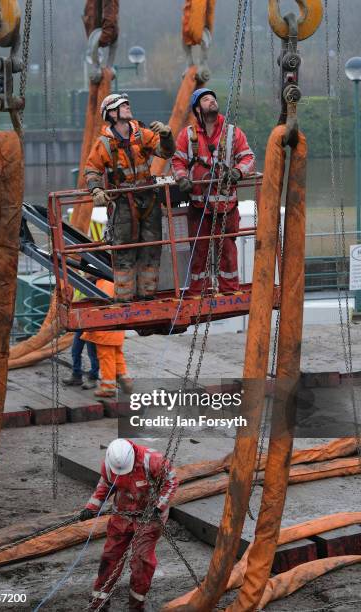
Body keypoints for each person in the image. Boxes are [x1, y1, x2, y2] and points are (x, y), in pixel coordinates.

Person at [84, 93, 175, 303]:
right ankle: (124, 300)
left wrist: (167, 135)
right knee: (124, 252)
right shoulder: (104, 143)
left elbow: (165, 152)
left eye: (127, 104)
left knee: (151, 249)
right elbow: (91, 170)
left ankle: (147, 296)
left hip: (148, 199)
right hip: (123, 203)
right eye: (122, 105)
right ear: (112, 114)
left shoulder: (141, 134)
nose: (128, 107)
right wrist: (96, 190)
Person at [171, 88, 255, 294]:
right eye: (206, 100)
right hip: (199, 205)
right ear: (197, 109)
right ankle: (198, 291)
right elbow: (177, 161)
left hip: (226, 205)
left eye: (213, 99)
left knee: (226, 249)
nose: (212, 102)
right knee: (199, 250)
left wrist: (237, 172)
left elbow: (248, 158)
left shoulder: (232, 133)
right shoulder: (188, 135)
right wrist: (182, 179)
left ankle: (229, 289)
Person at [79, 438, 178, 611]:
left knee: (141, 560)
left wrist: (158, 507)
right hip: (122, 514)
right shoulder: (110, 466)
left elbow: (171, 482)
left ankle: (136, 605)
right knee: (110, 556)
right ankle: (98, 602)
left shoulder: (153, 460)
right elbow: (104, 487)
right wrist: (91, 507)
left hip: (149, 518)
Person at [82, 279, 133, 399]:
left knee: (106, 357)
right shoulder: (114, 281)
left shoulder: (102, 284)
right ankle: (125, 380)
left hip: (105, 330)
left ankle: (108, 388)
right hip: (118, 327)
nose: (85, 275)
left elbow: (98, 308)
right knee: (117, 355)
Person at [63, 288, 100, 389]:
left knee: (92, 353)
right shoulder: (79, 282)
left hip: (91, 323)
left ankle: (93, 378)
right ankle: (76, 375)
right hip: (81, 322)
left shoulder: (95, 284)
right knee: (75, 351)